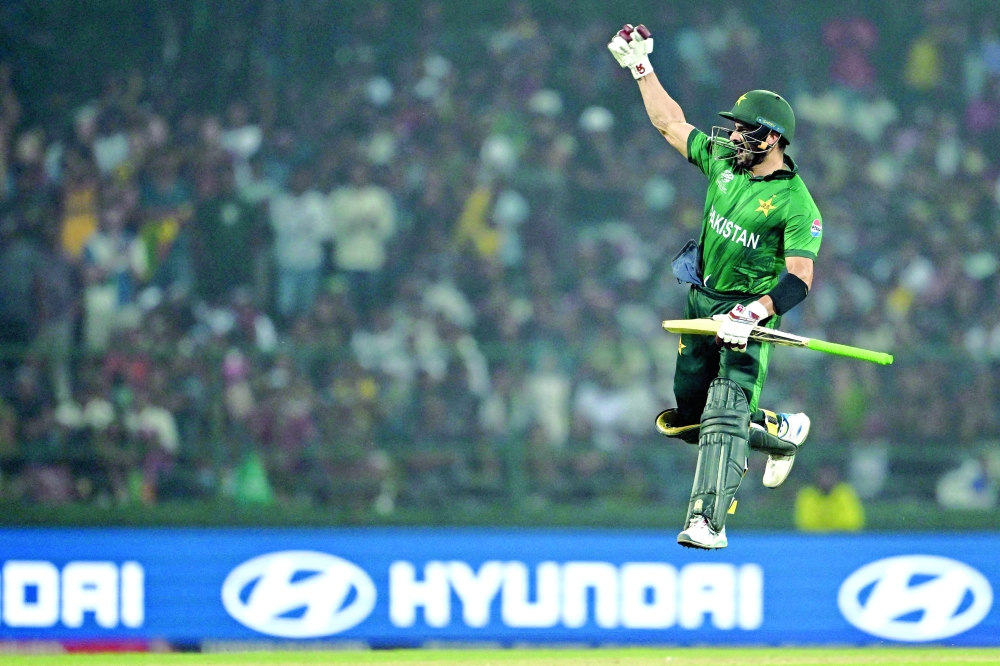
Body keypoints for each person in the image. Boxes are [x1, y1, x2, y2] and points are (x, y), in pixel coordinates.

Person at [609, 24, 822, 549]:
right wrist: (641, 68)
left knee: (725, 411)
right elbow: (669, 123)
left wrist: (754, 313)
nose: (733, 137)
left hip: (747, 319)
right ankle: (779, 430)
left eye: (745, 131)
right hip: (701, 304)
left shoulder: (797, 204)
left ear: (772, 139)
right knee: (689, 418)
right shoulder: (725, 163)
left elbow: (800, 277)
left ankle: (708, 522)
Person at [795, 465, 865, 532]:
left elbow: (853, 522)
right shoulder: (808, 495)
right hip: (814, 539)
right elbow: (805, 523)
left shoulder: (845, 493)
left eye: (829, 476)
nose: (825, 479)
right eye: (823, 475)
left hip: (841, 538)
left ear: (836, 477)